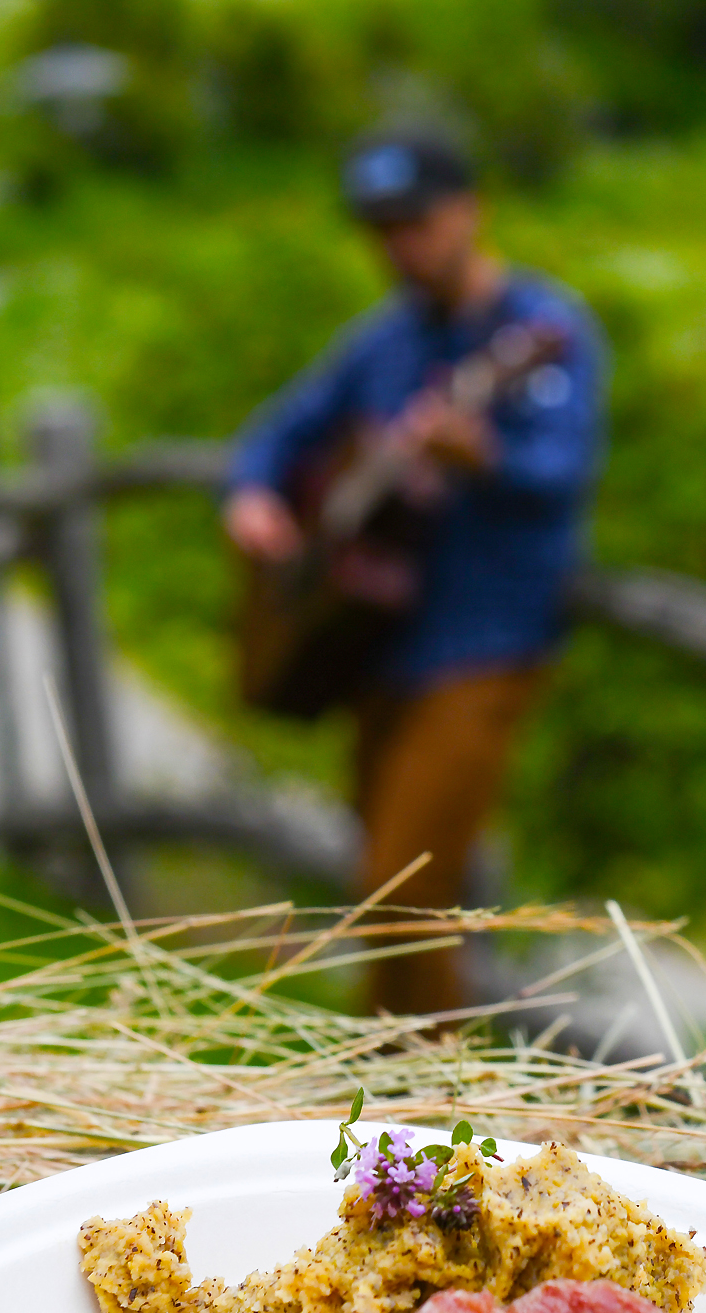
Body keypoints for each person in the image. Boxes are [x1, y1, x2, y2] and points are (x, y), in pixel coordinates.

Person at [221, 126, 606, 1017]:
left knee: (404, 889)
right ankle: (394, 1076)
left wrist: (483, 455)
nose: (400, 247)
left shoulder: (544, 329)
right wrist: (253, 495)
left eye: (416, 224)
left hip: (486, 644)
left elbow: (562, 472)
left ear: (470, 210)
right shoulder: (383, 342)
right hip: (377, 642)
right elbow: (277, 433)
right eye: (383, 230)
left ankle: (430, 1085)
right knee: (382, 884)